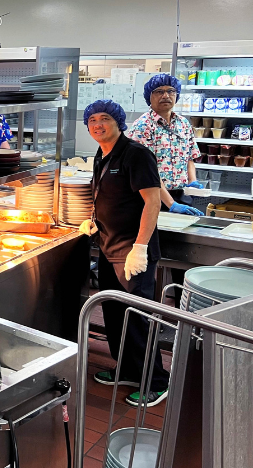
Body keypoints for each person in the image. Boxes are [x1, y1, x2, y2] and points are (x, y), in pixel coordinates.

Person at [79, 100, 170, 408]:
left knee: (139, 319)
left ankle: (156, 382)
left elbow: (152, 203)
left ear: (119, 122)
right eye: (92, 120)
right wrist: (93, 220)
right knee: (116, 314)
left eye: (104, 118)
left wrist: (141, 247)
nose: (97, 124)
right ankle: (128, 370)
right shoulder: (102, 154)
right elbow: (104, 194)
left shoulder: (136, 154)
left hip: (132, 252)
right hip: (108, 247)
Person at [128, 74, 204, 216]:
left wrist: (192, 182)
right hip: (151, 197)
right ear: (149, 97)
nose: (166, 95)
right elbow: (146, 171)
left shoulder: (183, 124)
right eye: (159, 91)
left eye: (171, 91)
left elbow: (189, 157)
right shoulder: (142, 126)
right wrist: (171, 204)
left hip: (181, 196)